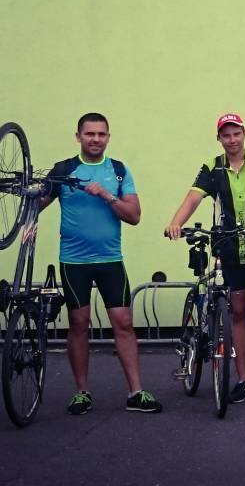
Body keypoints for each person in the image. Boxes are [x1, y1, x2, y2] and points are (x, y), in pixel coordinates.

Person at [36, 112, 161, 414]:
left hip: (110, 260)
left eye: (101, 134)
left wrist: (106, 195)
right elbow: (37, 203)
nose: (95, 139)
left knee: (124, 323)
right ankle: (82, 392)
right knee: (79, 324)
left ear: (108, 137)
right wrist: (28, 218)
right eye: (89, 134)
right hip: (74, 261)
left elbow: (134, 216)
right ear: (78, 136)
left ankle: (136, 392)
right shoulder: (63, 170)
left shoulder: (117, 171)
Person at [165, 113, 245, 406]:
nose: (232, 140)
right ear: (219, 138)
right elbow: (193, 198)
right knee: (238, 313)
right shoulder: (213, 166)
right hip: (229, 247)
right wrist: (175, 223)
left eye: (236, 134)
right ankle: (244, 381)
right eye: (226, 135)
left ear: (244, 134)